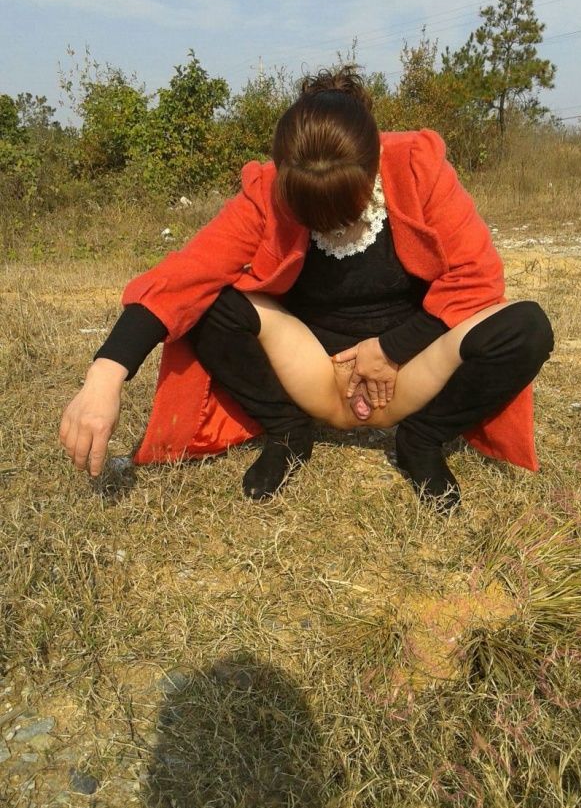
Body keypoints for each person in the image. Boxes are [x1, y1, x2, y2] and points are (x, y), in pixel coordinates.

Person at [59, 65, 554, 515]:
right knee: (211, 303)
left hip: (411, 368)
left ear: (374, 163)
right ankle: (288, 430)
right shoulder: (269, 189)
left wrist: (389, 350)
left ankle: (422, 438)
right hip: (311, 369)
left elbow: (478, 276)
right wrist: (105, 375)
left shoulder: (415, 166)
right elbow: (188, 274)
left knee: (525, 326)